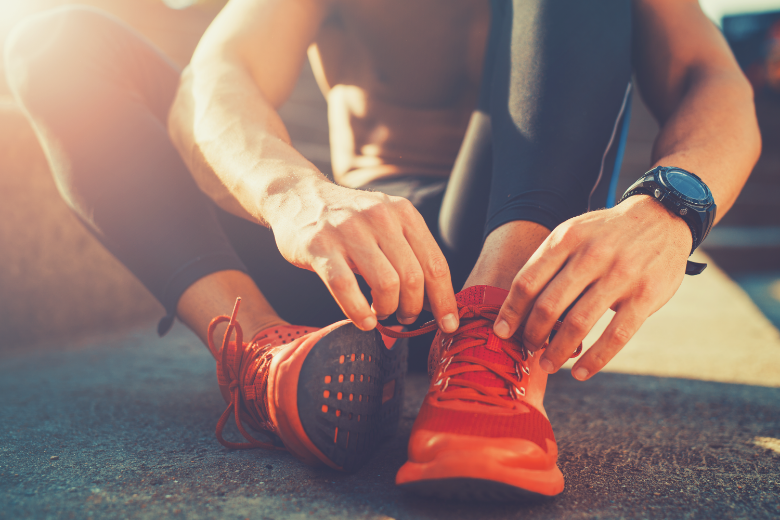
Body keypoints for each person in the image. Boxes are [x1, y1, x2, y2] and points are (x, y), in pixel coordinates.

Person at [5, 0, 759, 500]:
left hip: (518, 257)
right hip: (355, 272)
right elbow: (218, 76)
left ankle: (490, 352)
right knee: (55, 41)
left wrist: (668, 210)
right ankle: (261, 353)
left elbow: (709, 76)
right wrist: (294, 194)